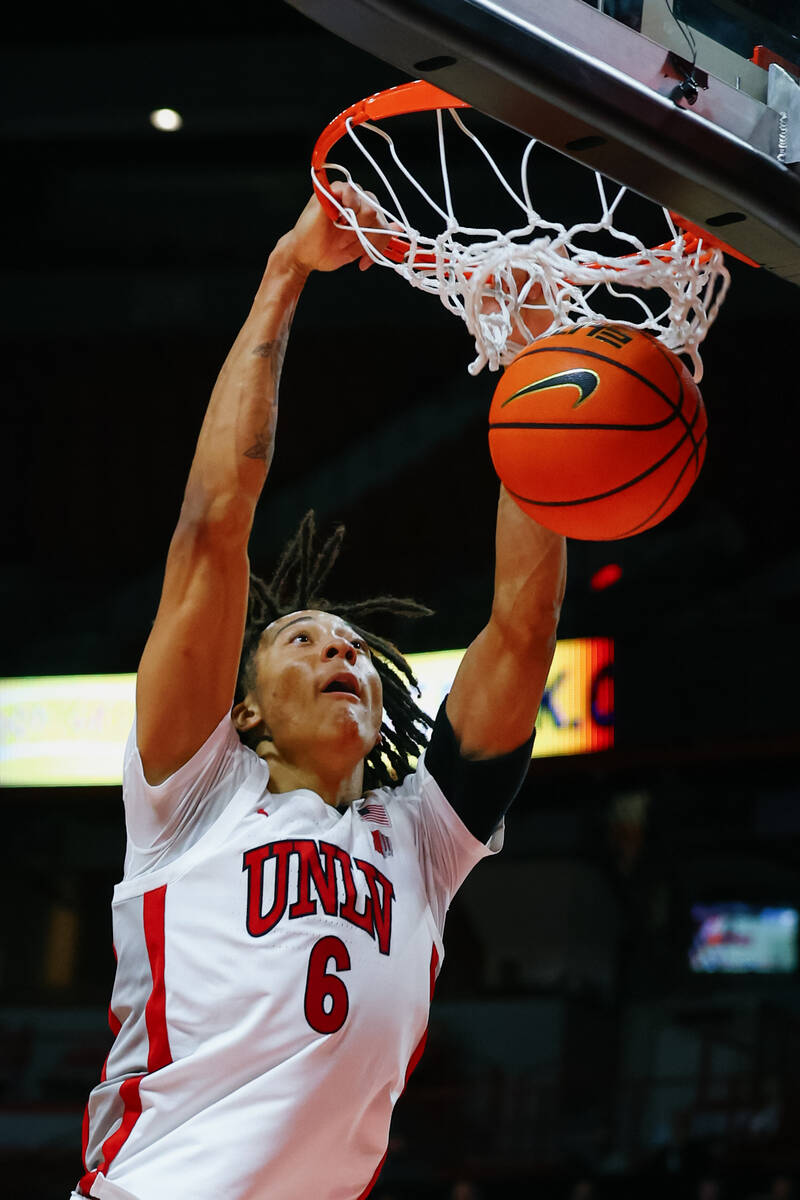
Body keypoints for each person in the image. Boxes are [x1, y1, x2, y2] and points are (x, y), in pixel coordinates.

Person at [73, 183, 567, 1200]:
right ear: (242, 712)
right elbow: (215, 522)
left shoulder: (421, 840)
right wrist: (284, 275)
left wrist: (533, 383)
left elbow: (519, 631)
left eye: (353, 646)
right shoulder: (194, 798)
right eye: (303, 639)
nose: (342, 653)